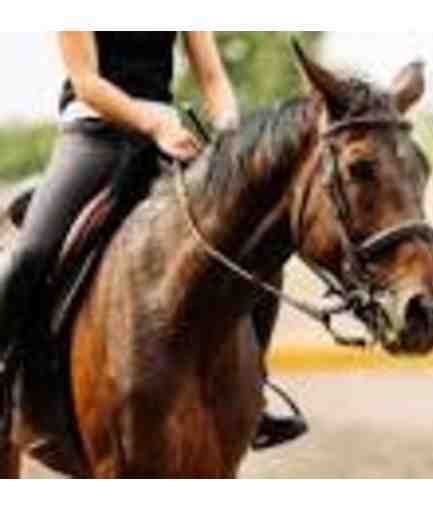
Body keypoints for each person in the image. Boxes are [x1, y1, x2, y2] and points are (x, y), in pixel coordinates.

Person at [0, 31, 306, 450]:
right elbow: (88, 82)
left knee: (257, 251)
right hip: (94, 133)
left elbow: (214, 80)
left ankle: (255, 394)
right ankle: (8, 386)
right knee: (30, 255)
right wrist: (152, 122)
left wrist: (233, 140)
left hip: (168, 140)